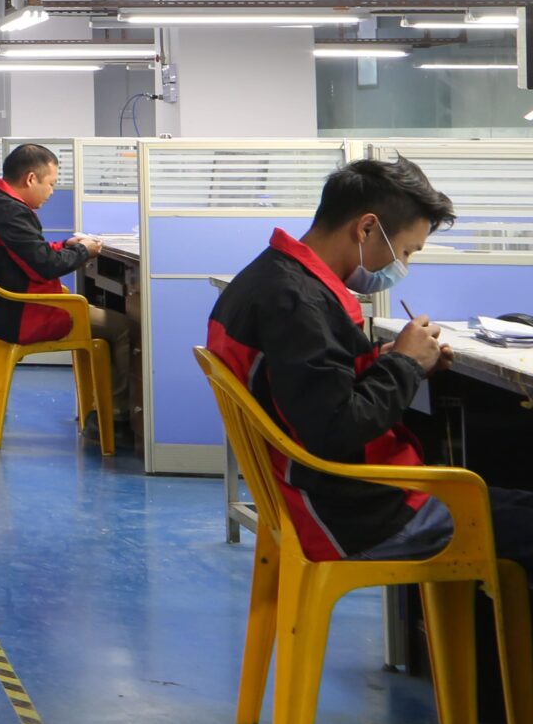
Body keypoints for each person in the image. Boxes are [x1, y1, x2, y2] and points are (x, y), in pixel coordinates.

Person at [204, 157, 531, 571]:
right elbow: (337, 428)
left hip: (330, 498)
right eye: (406, 251)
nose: (403, 266)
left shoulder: (270, 278)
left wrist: (393, 359)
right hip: (357, 515)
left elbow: (312, 390)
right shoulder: (298, 304)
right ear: (367, 228)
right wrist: (405, 365)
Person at [0, 143, 135, 444]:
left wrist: (66, 246)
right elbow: (46, 267)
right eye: (50, 183)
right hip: (26, 314)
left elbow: (28, 253)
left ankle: (98, 410)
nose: (52, 192)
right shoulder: (12, 212)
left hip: (3, 308)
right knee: (121, 327)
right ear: (30, 179)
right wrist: (84, 250)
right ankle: (115, 421)